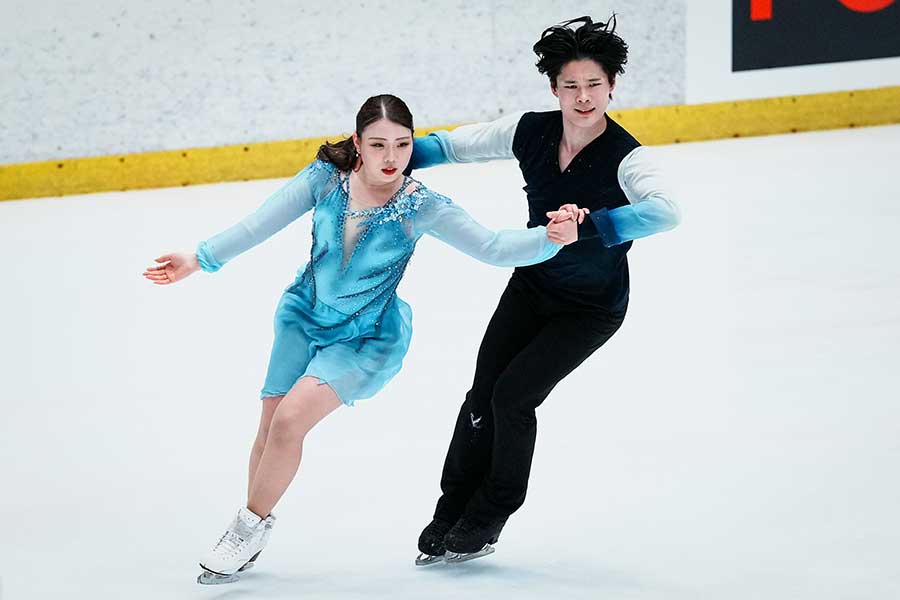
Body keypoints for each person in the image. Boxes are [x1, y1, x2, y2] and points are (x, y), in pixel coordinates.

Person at [142, 94, 581, 584]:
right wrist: (199, 259)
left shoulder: (420, 206)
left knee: (289, 421)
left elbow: (494, 248)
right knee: (269, 427)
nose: (391, 158)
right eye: (378, 145)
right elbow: (259, 223)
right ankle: (254, 528)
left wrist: (548, 239)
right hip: (302, 316)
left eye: (402, 145)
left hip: (365, 337)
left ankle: (243, 528)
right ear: (357, 143)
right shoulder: (326, 178)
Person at [412, 16, 682, 564]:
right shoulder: (529, 131)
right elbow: (452, 146)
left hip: (590, 308)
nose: (583, 97)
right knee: (481, 394)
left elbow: (666, 212)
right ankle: (451, 509)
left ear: (612, 85)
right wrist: (388, 153)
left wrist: (592, 226)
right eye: (571, 85)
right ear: (554, 88)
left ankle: (490, 515)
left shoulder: (627, 156)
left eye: (594, 85)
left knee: (514, 396)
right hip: (533, 285)